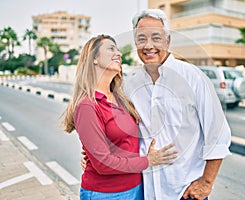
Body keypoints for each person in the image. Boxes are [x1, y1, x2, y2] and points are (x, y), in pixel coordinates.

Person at [82, 9, 231, 200]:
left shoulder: (193, 78)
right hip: (147, 191)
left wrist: (206, 183)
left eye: (156, 38)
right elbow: (116, 128)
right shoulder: (129, 85)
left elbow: (218, 134)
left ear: (167, 41)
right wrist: (95, 152)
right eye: (141, 38)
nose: (148, 45)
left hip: (185, 193)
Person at [63, 34, 177, 200]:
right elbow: (102, 164)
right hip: (106, 194)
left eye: (117, 49)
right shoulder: (87, 106)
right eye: (111, 49)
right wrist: (148, 160)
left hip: (136, 188)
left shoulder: (120, 96)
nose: (119, 53)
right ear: (94, 58)